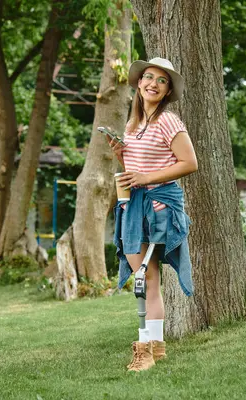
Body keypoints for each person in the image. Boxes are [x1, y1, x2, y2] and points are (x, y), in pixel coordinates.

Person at [107, 57, 198, 372]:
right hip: (133, 207)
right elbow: (135, 173)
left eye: (161, 80)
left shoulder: (169, 121)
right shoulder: (132, 125)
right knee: (145, 279)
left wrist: (146, 179)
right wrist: (122, 158)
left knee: (147, 279)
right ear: (138, 83)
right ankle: (157, 348)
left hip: (159, 208)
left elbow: (189, 163)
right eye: (148, 77)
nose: (153, 84)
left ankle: (145, 349)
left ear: (168, 89)